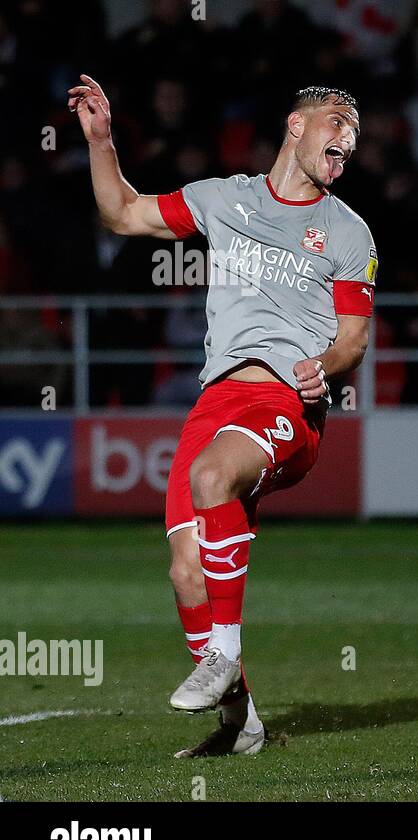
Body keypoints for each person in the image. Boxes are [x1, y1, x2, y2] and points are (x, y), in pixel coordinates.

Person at [69, 75, 377, 757]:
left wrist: (322, 367)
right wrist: (101, 141)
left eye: (354, 130)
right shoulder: (223, 199)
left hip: (285, 403)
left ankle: (221, 657)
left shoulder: (348, 231)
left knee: (211, 478)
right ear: (294, 126)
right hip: (215, 401)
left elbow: (354, 337)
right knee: (186, 571)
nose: (346, 136)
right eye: (335, 120)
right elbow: (122, 212)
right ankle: (242, 725)